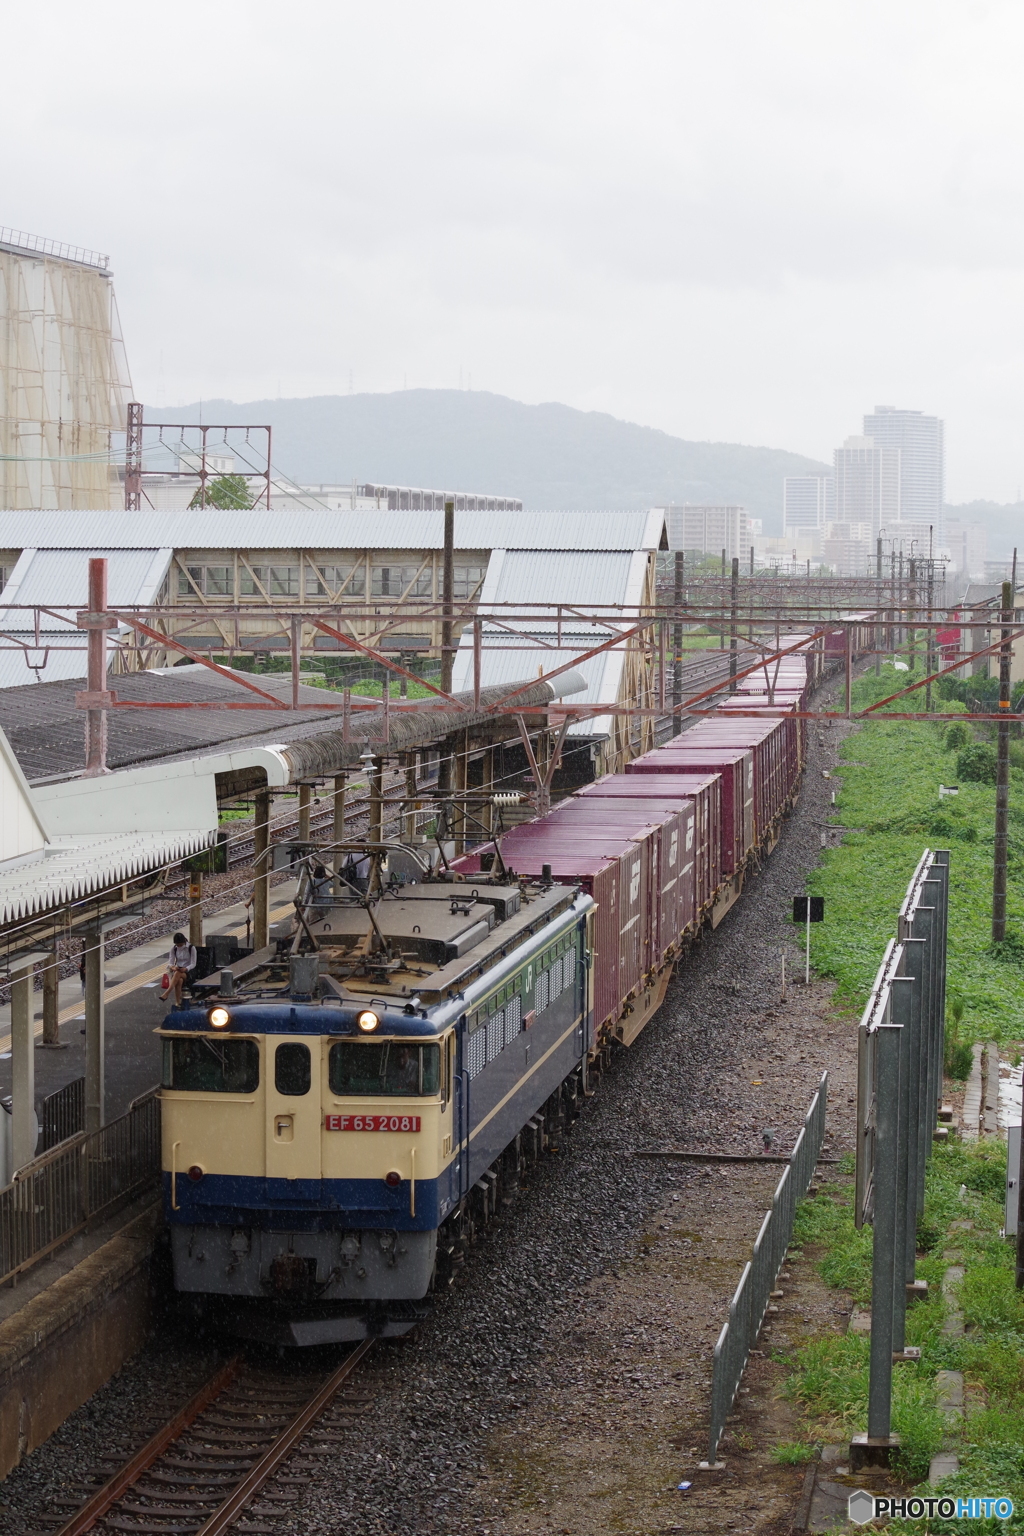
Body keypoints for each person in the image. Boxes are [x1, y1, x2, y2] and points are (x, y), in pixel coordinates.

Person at [162, 932, 197, 1006]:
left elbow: (193, 963)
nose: (179, 947)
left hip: (189, 971)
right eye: (177, 945)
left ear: (184, 942)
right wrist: (173, 967)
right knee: (179, 980)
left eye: (180, 945)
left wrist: (186, 968)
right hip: (178, 969)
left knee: (177, 974)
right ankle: (178, 1002)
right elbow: (171, 962)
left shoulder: (191, 948)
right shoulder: (174, 949)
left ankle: (167, 993)